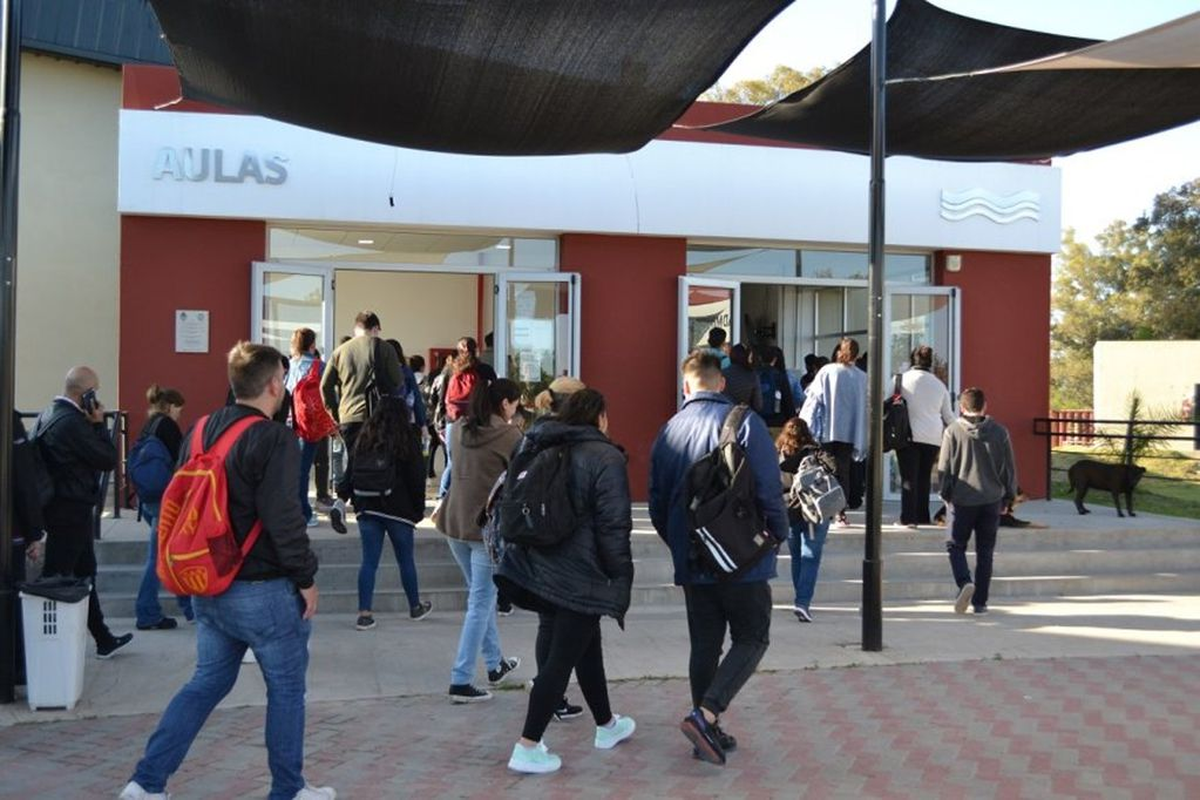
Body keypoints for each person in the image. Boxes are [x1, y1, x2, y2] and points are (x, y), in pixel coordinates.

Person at [120, 342, 331, 800]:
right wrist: (306, 577)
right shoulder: (274, 438)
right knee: (287, 690)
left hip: (208, 584)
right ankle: (288, 790)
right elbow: (284, 518)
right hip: (264, 589)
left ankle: (145, 783)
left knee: (206, 681)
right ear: (275, 384)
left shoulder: (198, 430)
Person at [649, 352, 789, 766]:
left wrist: (679, 541)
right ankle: (705, 714)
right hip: (741, 553)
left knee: (705, 644)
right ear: (722, 383)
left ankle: (704, 731)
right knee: (753, 636)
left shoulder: (669, 429)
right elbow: (767, 486)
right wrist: (777, 533)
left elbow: (658, 502)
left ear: (686, 387)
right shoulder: (744, 423)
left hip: (693, 556)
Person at [496, 389, 636, 773]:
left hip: (541, 563)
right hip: (581, 573)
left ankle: (607, 724)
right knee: (559, 664)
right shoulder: (605, 457)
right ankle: (528, 745)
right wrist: (621, 573)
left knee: (587, 649)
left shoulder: (542, 443)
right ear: (600, 417)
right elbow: (614, 526)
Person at [34, 366, 132, 659]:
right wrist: (100, 424)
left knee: (84, 573)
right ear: (85, 394)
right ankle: (45, 648)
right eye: (95, 392)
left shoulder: (49, 413)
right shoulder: (72, 423)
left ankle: (102, 638)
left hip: (65, 507)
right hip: (70, 509)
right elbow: (106, 459)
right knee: (58, 576)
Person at [435, 379, 523, 703]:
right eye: (515, 403)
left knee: (480, 599)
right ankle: (460, 679)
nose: (516, 409)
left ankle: (495, 663)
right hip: (485, 531)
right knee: (480, 603)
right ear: (505, 404)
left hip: (452, 523)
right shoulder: (511, 436)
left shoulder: (457, 429)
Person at [344, 397, 432, 630]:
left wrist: (345, 497)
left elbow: (349, 472)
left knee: (369, 562)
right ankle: (414, 607)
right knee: (405, 560)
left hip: (367, 506)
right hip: (399, 510)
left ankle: (364, 613)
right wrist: (418, 508)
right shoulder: (407, 438)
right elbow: (416, 476)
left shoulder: (363, 438)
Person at [937, 387, 1018, 616]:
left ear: (962, 407)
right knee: (985, 552)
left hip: (962, 499)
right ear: (985, 406)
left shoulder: (953, 431)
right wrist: (1009, 495)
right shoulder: (1000, 432)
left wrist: (945, 494)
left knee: (955, 545)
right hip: (991, 499)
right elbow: (1009, 468)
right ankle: (980, 602)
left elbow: (945, 468)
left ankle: (964, 582)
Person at [321, 312, 403, 532]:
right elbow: (398, 381)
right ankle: (366, 513)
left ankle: (343, 503)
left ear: (356, 327)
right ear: (375, 328)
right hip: (377, 417)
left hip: (348, 417)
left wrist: (336, 414)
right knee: (375, 464)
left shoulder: (340, 351)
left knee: (356, 461)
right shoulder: (385, 348)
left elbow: (325, 386)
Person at [134, 385, 195, 630]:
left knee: (171, 554)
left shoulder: (149, 425)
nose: (180, 414)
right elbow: (182, 461)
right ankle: (147, 613)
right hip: (164, 501)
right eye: (179, 409)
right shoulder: (167, 426)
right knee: (158, 558)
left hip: (148, 499)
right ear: (170, 406)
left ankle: (189, 608)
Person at [799, 337, 868, 527]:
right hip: (849, 432)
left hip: (826, 429)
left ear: (839, 351)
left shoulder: (827, 371)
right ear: (857, 354)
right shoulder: (861, 377)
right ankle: (840, 512)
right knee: (843, 470)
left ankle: (823, 508)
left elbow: (813, 400)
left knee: (823, 470)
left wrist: (805, 426)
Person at [776, 418, 836, 623]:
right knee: (811, 556)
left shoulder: (779, 455)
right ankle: (803, 602)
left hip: (790, 511)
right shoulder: (815, 452)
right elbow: (834, 468)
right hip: (816, 510)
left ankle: (800, 598)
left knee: (797, 557)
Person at [898, 345, 956, 528]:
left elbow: (887, 400)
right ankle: (923, 516)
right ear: (930, 362)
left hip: (908, 435)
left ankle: (908, 518)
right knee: (923, 478)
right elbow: (948, 415)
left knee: (909, 477)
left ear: (911, 360)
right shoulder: (939, 385)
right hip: (932, 437)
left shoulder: (901, 379)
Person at [8, 411, 47, 686]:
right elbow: (23, 478)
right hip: (9, 533)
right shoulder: (9, 421)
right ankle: (14, 667)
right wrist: (34, 532)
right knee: (10, 599)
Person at [287, 328, 326, 527]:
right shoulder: (319, 366)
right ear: (312, 345)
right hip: (310, 424)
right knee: (303, 470)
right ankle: (303, 513)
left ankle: (295, 510)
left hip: (288, 424)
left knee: (292, 470)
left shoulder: (288, 365)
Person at [385, 339, 428, 428]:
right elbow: (416, 397)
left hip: (383, 417)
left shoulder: (379, 371)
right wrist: (423, 423)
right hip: (404, 416)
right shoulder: (406, 371)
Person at [720, 344, 763, 413]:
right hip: (743, 415)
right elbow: (758, 405)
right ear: (747, 357)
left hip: (724, 414)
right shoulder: (752, 375)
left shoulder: (722, 374)